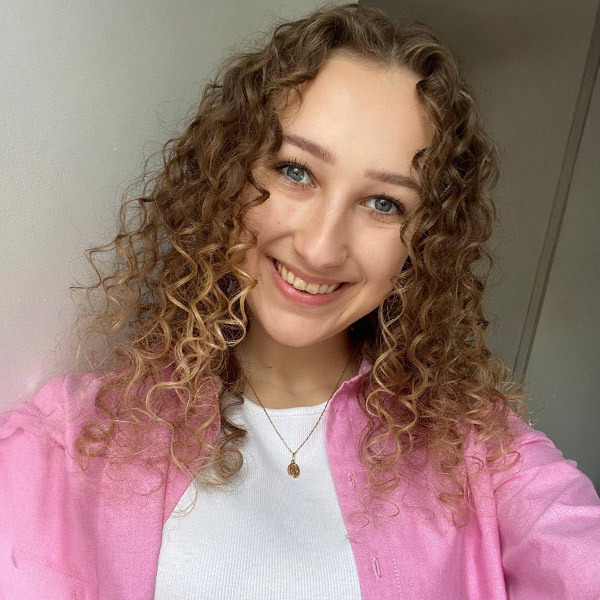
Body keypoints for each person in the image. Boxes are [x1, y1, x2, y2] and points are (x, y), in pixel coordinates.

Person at [1, 2, 599, 599]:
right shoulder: (69, 441)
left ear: (424, 243)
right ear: (229, 174)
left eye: (384, 203)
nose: (320, 248)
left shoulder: (485, 458)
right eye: (296, 171)